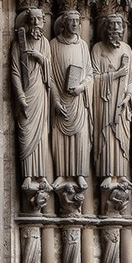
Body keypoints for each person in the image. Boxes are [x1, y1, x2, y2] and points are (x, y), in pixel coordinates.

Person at [91, 14, 132, 188]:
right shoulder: (97, 49)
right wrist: (115, 75)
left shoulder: (127, 49)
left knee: (122, 137)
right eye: (112, 26)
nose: (116, 29)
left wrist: (127, 97)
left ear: (124, 29)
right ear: (106, 29)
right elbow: (93, 78)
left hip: (122, 103)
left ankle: (121, 173)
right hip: (105, 101)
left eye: (119, 26)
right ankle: (107, 173)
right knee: (107, 137)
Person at [50, 10, 93, 189]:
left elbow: (90, 74)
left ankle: (79, 173)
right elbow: (49, 76)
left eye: (77, 21)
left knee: (80, 137)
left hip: (78, 101)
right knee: (60, 138)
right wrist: (56, 100)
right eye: (71, 21)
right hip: (61, 100)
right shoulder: (53, 44)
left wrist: (82, 87)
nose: (75, 24)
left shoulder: (83, 45)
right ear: (63, 23)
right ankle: (61, 173)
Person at [10, 8, 52, 190]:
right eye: (32, 21)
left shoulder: (45, 44)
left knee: (41, 136)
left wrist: (40, 57)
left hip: (40, 93)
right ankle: (27, 175)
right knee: (26, 134)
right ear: (27, 23)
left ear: (43, 22)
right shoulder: (19, 43)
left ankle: (41, 175)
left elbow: (49, 71)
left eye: (39, 20)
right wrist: (20, 97)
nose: (36, 24)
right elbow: (14, 71)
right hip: (26, 95)